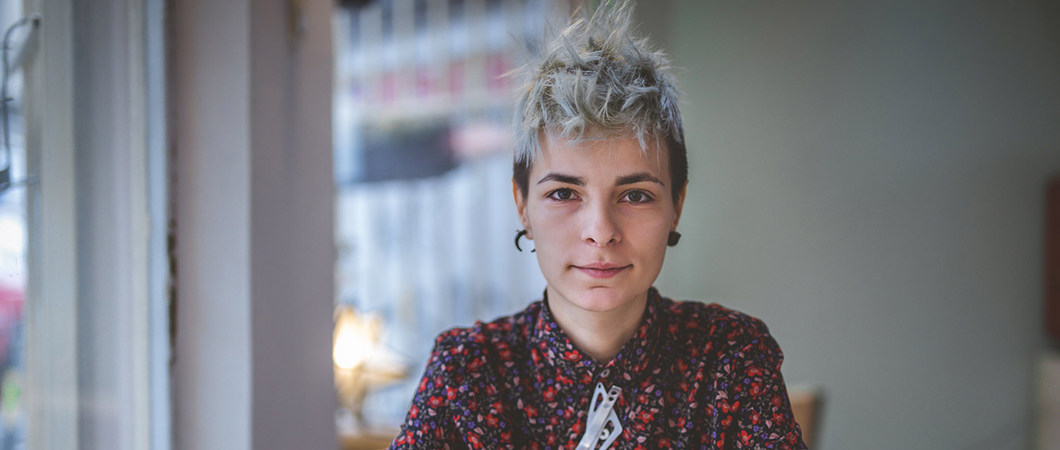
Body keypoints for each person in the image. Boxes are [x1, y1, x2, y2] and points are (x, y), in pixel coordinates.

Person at [390, 2, 806, 448]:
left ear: (677, 206)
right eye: (564, 194)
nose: (601, 231)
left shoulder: (730, 355)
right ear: (523, 206)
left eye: (635, 195)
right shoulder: (467, 370)